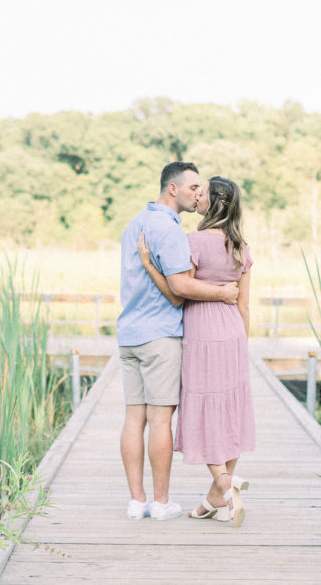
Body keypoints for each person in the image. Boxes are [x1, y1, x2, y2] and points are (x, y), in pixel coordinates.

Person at [117, 162, 239, 521]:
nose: (197, 194)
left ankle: (136, 502)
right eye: (193, 188)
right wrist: (222, 293)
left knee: (132, 417)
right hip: (160, 335)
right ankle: (160, 502)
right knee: (159, 419)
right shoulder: (169, 230)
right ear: (173, 189)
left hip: (129, 334)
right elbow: (180, 290)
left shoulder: (135, 223)